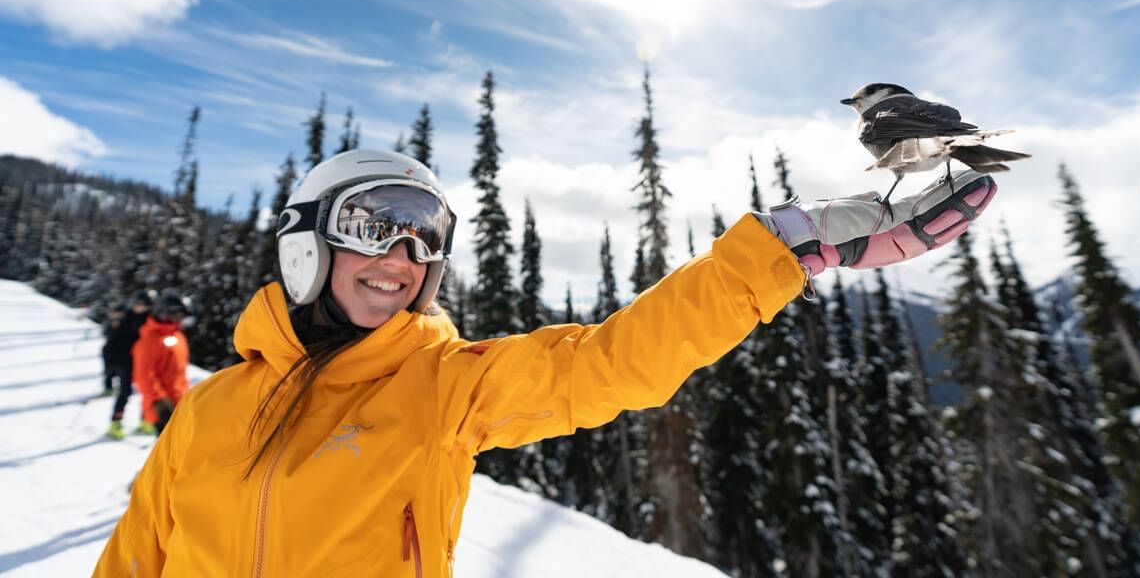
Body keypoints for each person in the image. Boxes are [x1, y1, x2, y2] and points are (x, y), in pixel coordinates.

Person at [95, 148, 996, 577]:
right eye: (377, 223)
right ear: (307, 240)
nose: (402, 255)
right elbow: (133, 564)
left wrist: (782, 250)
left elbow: (610, 366)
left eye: (425, 237)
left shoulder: (440, 387)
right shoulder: (210, 412)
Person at [131, 290, 192, 436]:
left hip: (180, 402)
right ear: (164, 313)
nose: (180, 319)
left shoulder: (177, 335)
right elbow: (144, 375)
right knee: (170, 453)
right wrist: (160, 402)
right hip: (163, 408)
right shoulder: (150, 339)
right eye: (177, 315)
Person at [103, 292, 155, 439]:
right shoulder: (125, 318)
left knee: (147, 391)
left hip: (143, 362)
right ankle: (116, 422)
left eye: (142, 304)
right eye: (136, 304)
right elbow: (110, 342)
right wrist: (111, 364)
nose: (139, 307)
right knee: (125, 391)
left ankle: (146, 421)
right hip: (124, 361)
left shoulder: (151, 320)